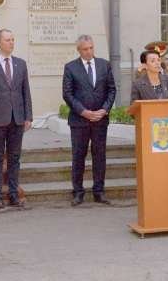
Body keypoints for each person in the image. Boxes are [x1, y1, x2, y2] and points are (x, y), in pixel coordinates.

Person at [0, 29, 33, 210]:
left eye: (13, 39)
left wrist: (28, 116)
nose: (11, 43)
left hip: (17, 118)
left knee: (15, 157)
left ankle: (13, 193)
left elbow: (26, 92)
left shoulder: (20, 64)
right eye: (8, 40)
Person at [62, 35, 117, 206]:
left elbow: (112, 90)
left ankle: (99, 191)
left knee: (99, 156)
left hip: (100, 120)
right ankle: (78, 192)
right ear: (79, 50)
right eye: (85, 49)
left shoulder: (104, 65)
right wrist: (83, 112)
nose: (89, 52)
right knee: (79, 156)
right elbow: (67, 94)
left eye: (91, 48)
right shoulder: (70, 68)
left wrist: (104, 109)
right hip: (80, 121)